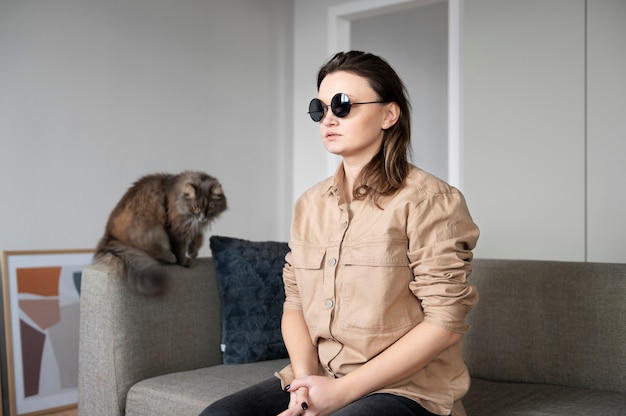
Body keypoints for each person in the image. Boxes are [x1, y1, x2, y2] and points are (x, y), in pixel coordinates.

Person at [200, 50, 479, 416]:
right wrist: (304, 389)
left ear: (388, 114)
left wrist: (342, 393)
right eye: (320, 109)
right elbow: (295, 304)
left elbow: (444, 323)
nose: (329, 118)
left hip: (405, 391)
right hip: (320, 375)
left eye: (343, 105)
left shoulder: (431, 201)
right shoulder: (309, 205)